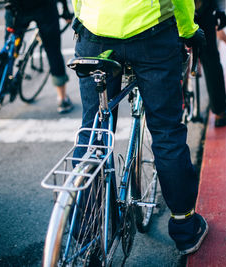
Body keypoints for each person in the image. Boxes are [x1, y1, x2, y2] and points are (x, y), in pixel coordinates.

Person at [71, 0, 208, 255]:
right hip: (151, 33)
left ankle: (89, 232)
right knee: (167, 132)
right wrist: (189, 30)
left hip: (95, 32)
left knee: (93, 133)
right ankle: (185, 229)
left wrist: (81, 17)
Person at [4, 0, 74, 114]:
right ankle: (62, 99)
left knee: (8, 50)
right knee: (53, 50)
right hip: (44, 7)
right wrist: (65, 9)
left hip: (16, 6)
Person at [195, 0, 226, 127]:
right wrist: (220, 10)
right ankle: (221, 112)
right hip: (201, 9)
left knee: (173, 62)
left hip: (172, 12)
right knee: (210, 59)